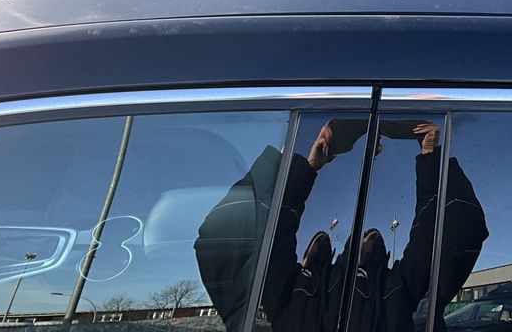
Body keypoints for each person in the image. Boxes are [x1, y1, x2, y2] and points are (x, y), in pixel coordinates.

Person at [195, 120, 487, 332]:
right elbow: (224, 237)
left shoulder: (399, 288)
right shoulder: (288, 292)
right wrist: (295, 165)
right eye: (368, 235)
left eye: (375, 238)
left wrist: (431, 158)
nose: (371, 237)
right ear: (304, 261)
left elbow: (451, 227)